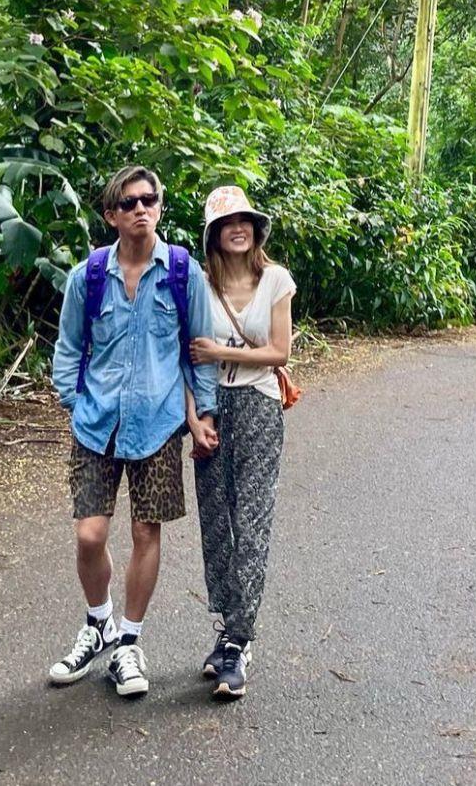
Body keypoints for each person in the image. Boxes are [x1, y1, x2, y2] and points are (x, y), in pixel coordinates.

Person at [48, 164, 219, 697]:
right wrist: (75, 403)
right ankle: (97, 622)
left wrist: (203, 414)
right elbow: (69, 347)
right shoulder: (88, 277)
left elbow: (199, 352)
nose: (140, 208)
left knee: (148, 532)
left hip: (160, 424)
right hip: (96, 425)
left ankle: (128, 641)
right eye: (129, 203)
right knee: (90, 534)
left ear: (160, 208)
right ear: (111, 215)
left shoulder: (183, 273)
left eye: (149, 199)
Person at [186, 184, 295, 700]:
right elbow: (186, 359)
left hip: (257, 407)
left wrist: (217, 353)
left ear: (255, 229)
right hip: (211, 410)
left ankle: (240, 641)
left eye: (245, 220)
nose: (238, 228)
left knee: (251, 521)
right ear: (213, 233)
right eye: (228, 222)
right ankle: (228, 628)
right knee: (216, 521)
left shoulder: (275, 279)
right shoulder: (198, 287)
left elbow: (278, 352)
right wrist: (194, 419)